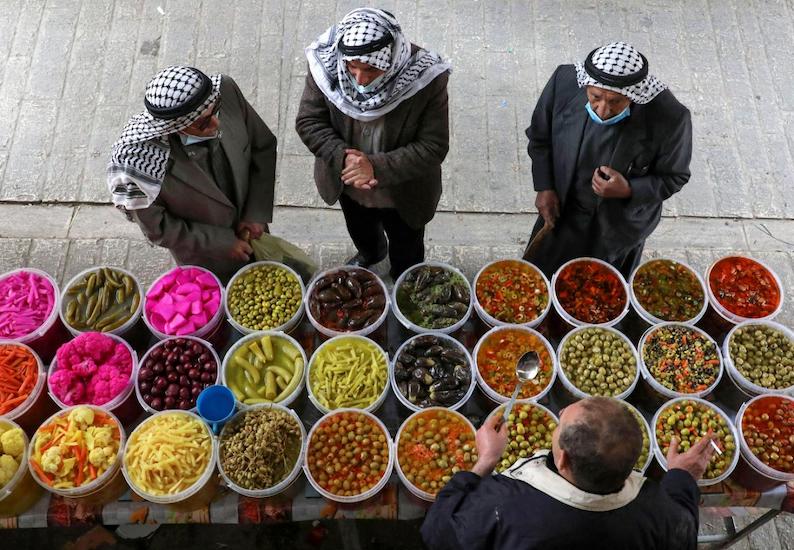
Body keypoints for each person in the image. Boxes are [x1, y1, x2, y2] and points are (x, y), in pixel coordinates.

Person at [422, 397, 715, 550]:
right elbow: (682, 532)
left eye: (561, 423)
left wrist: (484, 462)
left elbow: (438, 533)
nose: (559, 412)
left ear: (562, 459)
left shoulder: (504, 504)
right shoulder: (659, 513)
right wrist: (680, 476)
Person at [296, 7, 451, 280]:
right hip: (348, 184)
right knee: (361, 230)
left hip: (403, 191)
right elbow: (309, 121)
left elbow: (433, 146)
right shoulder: (326, 67)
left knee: (407, 246)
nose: (359, 79)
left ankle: (404, 273)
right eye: (351, 66)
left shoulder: (425, 79)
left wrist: (375, 167)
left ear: (390, 59)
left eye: (370, 68)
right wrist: (344, 158)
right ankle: (371, 253)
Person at [523, 42, 692, 279]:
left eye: (615, 102)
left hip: (616, 228)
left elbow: (675, 177)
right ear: (586, 86)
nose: (603, 110)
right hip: (563, 210)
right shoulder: (563, 83)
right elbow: (540, 138)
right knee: (539, 279)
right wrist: (545, 187)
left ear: (635, 96)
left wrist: (628, 189)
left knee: (603, 289)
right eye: (596, 97)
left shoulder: (670, 117)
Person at [107, 66, 277, 282]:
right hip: (208, 258)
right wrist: (220, 243)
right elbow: (157, 228)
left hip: (254, 227)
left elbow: (263, 146)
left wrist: (256, 212)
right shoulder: (138, 167)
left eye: (215, 110)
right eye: (203, 123)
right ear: (175, 127)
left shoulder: (225, 90)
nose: (217, 123)